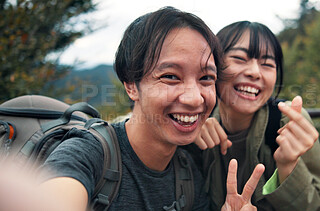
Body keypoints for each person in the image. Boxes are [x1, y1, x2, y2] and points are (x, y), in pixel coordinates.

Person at [0, 8, 266, 211]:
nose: (195, 98)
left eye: (206, 78)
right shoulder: (89, 152)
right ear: (131, 84)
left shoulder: (186, 175)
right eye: (170, 77)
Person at [189, 21, 320, 210]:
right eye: (239, 58)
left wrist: (287, 166)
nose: (255, 72)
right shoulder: (193, 122)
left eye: (267, 64)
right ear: (212, 65)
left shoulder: (287, 122)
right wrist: (189, 135)